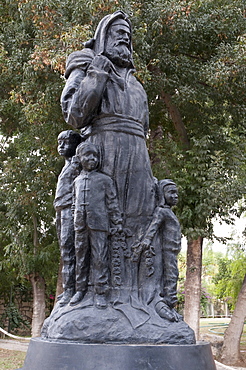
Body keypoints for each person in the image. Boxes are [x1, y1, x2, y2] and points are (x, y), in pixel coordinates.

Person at [61, 12, 156, 299]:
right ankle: (95, 294)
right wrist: (97, 71)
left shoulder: (136, 83)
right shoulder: (86, 68)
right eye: (118, 31)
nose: (125, 36)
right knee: (100, 230)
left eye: (128, 33)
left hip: (138, 159)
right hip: (104, 153)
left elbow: (145, 126)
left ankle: (138, 298)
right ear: (103, 36)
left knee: (137, 226)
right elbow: (74, 114)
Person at [70, 142, 123, 309]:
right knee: (81, 258)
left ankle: (101, 292)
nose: (92, 159)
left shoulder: (105, 180)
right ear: (80, 158)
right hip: (80, 225)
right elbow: (74, 203)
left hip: (99, 224)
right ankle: (80, 290)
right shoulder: (77, 181)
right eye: (87, 155)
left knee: (100, 258)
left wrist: (117, 223)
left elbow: (112, 203)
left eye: (95, 156)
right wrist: (75, 219)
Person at [135, 179, 183, 322]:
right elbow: (153, 228)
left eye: (176, 193)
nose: (175, 196)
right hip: (166, 251)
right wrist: (145, 242)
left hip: (172, 251)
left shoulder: (169, 212)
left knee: (172, 275)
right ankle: (166, 304)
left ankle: (169, 305)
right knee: (171, 276)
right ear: (162, 194)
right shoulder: (161, 211)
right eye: (171, 193)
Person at [54, 130, 81, 306]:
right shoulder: (67, 165)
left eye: (66, 142)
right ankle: (68, 289)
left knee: (70, 250)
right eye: (60, 142)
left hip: (70, 211)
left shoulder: (77, 165)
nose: (62, 146)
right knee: (65, 251)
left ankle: (71, 290)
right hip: (60, 210)